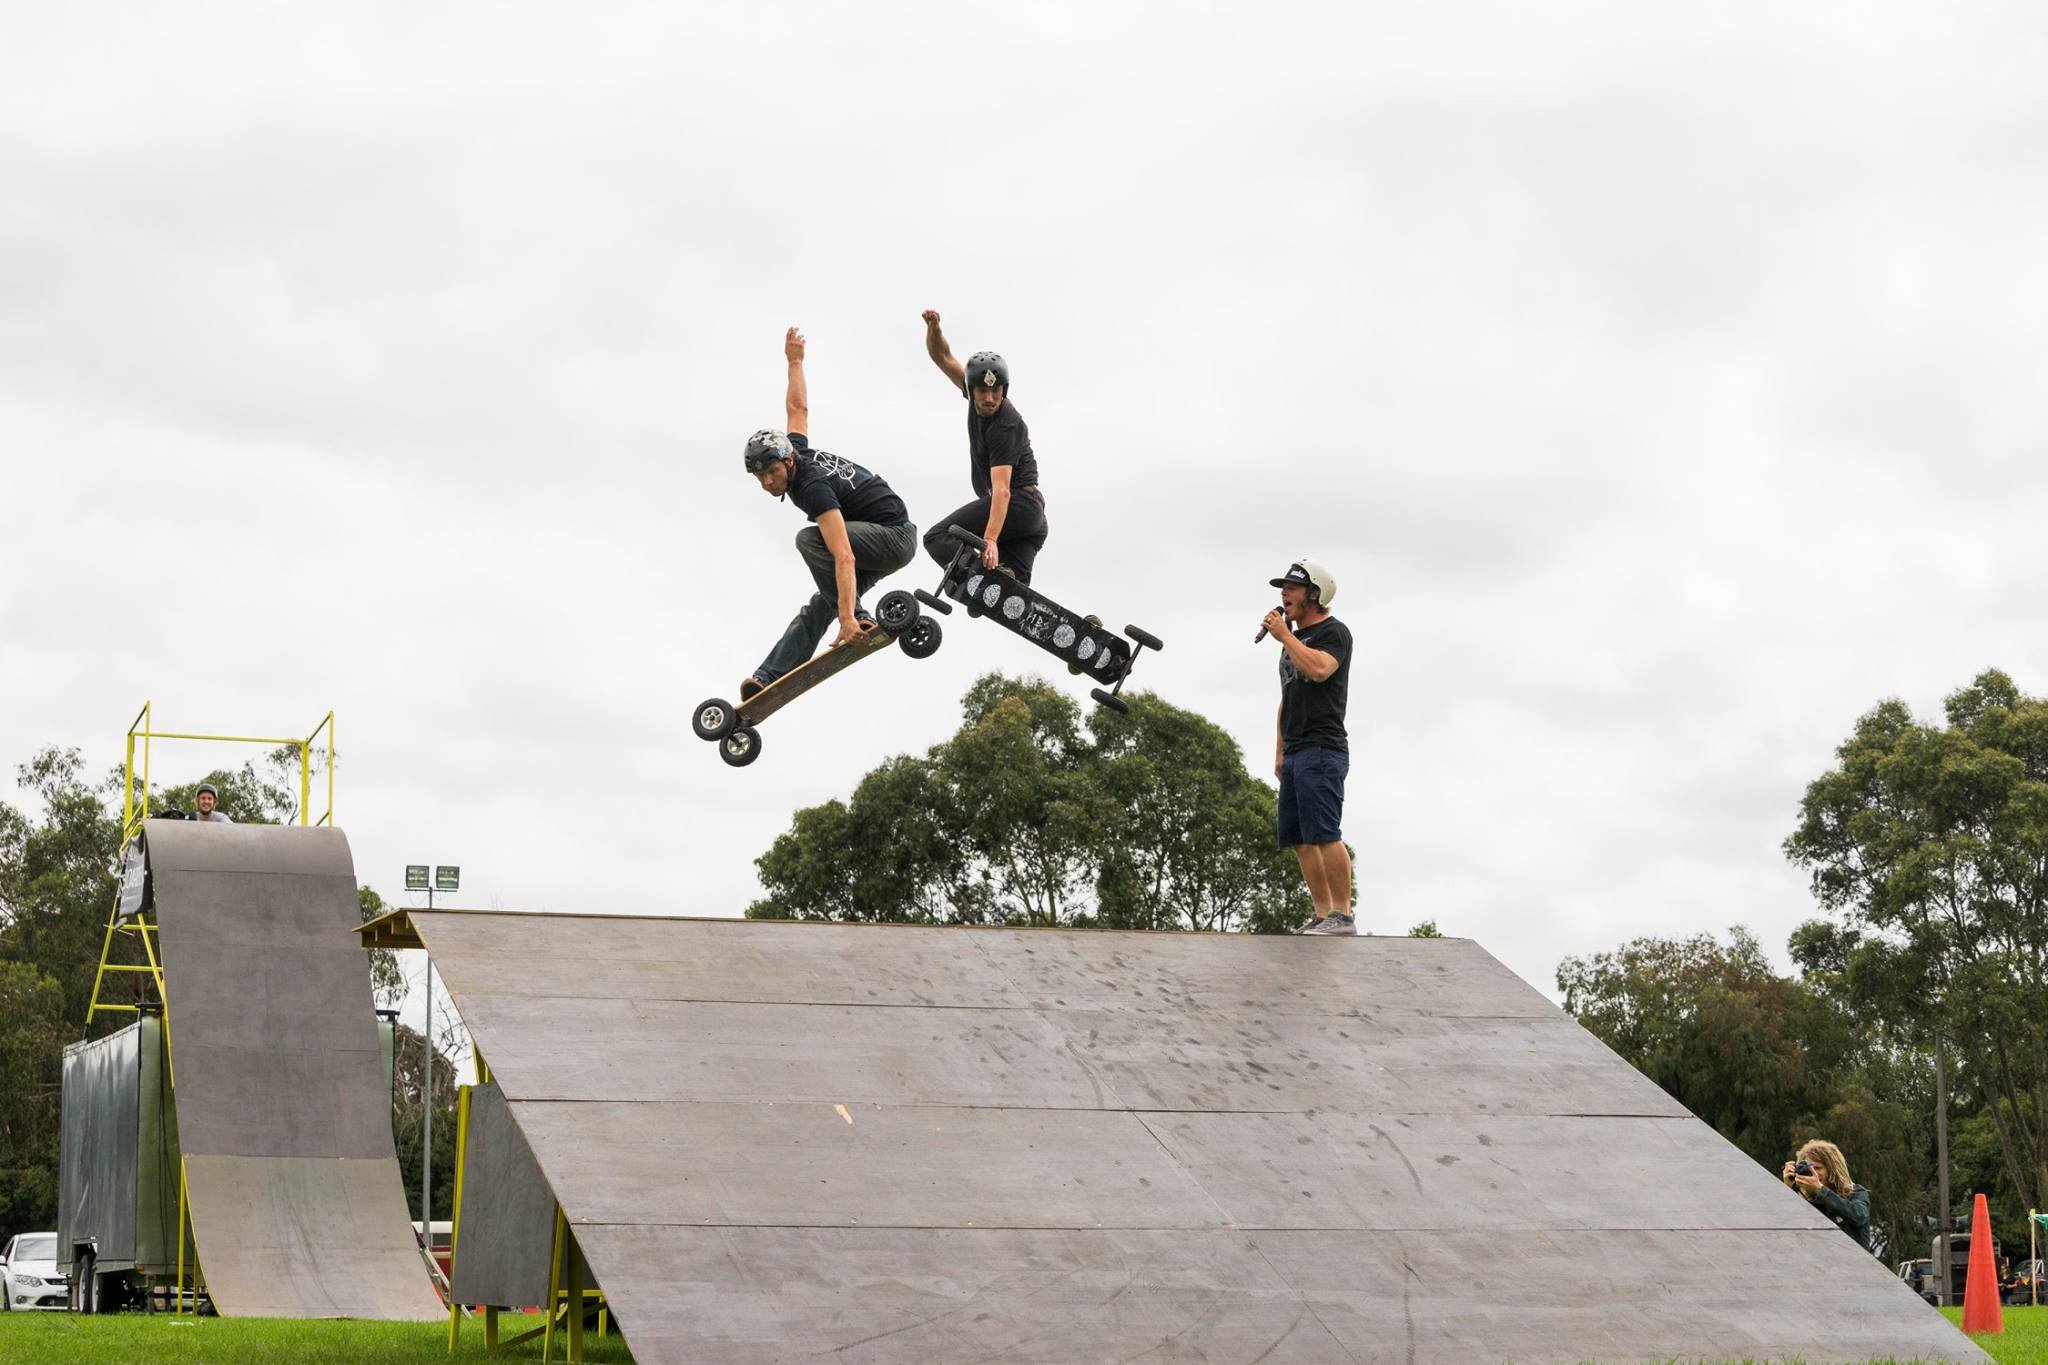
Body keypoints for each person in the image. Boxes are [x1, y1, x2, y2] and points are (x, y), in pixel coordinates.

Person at [739, 327, 919, 700]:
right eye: (760, 477)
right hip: (873, 537)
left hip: (893, 536)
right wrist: (795, 361)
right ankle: (770, 675)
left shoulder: (811, 487)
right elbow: (798, 409)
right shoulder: (796, 449)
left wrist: (849, 617)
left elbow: (843, 554)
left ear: (787, 462)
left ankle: (855, 614)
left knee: (809, 540)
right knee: (821, 603)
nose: (768, 482)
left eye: (772, 472)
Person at [918, 309, 1048, 585]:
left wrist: (989, 539)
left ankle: (977, 579)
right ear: (971, 388)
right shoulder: (972, 391)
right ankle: (1076, 626)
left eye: (996, 391)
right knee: (1011, 591)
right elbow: (942, 357)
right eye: (983, 392)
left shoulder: (1006, 425)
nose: (990, 399)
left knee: (938, 538)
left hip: (1017, 505)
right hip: (1031, 523)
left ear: (1005, 389)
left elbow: (1002, 490)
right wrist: (934, 327)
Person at [1261, 559, 1353, 934]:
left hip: (1322, 747)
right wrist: (1280, 750)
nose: (1284, 594)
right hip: (1297, 750)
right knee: (1299, 837)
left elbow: (1319, 670)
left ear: (1314, 594)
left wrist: (1285, 636)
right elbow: (1287, 696)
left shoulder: (1335, 632)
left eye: (1292, 588)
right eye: (1283, 588)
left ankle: (1342, 915)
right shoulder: (1292, 643)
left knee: (1324, 832)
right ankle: (1320, 913)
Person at [1782, 1139, 1871, 1251]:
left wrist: (1820, 1190)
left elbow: (1857, 1216)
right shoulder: (1803, 1199)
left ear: (1832, 1170)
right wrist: (1788, 1190)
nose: (1813, 1173)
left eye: (1817, 1168)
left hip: (1853, 1265)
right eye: (1808, 1168)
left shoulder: (1855, 1193)